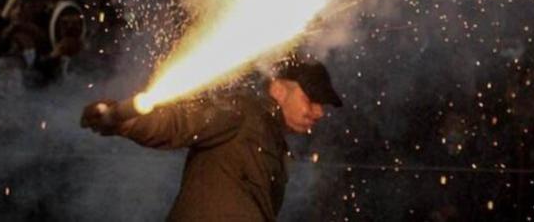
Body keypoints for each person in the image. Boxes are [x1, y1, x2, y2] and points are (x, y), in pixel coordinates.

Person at [81, 58, 343, 221]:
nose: (319, 112)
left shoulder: (271, 137)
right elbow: (180, 122)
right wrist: (127, 121)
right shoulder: (243, 112)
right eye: (311, 100)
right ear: (278, 89)